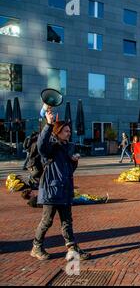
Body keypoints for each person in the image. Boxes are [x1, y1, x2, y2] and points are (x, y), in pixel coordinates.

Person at [31, 109, 90, 261]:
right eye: (66, 131)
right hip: (51, 190)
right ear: (57, 132)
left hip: (65, 190)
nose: (69, 133)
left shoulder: (67, 147)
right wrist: (49, 124)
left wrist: (74, 162)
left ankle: (72, 249)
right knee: (47, 221)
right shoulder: (50, 147)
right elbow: (41, 146)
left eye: (69, 130)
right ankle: (36, 247)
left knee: (67, 221)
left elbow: (69, 171)